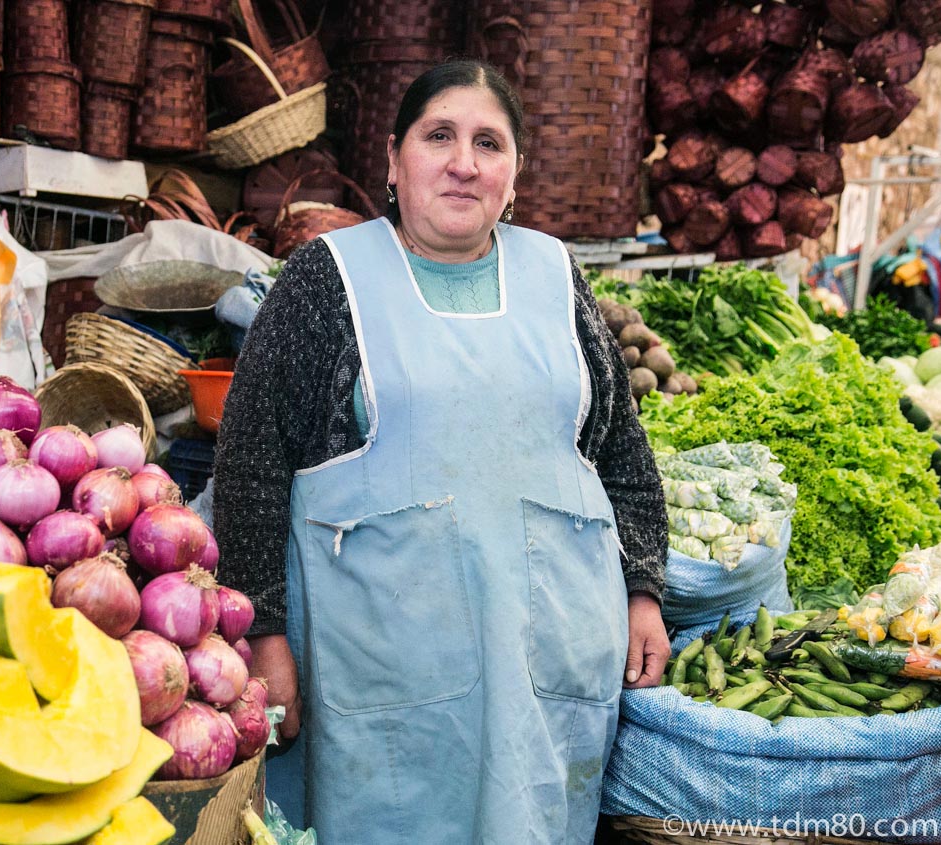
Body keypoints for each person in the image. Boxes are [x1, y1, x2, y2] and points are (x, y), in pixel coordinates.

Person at [212, 59, 669, 844]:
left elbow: (621, 455)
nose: (464, 162)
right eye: (440, 136)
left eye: (489, 142)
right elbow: (251, 464)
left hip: (543, 659)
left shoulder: (556, 275)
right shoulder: (328, 280)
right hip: (378, 674)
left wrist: (643, 589)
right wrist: (265, 631)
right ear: (393, 160)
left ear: (514, 173)